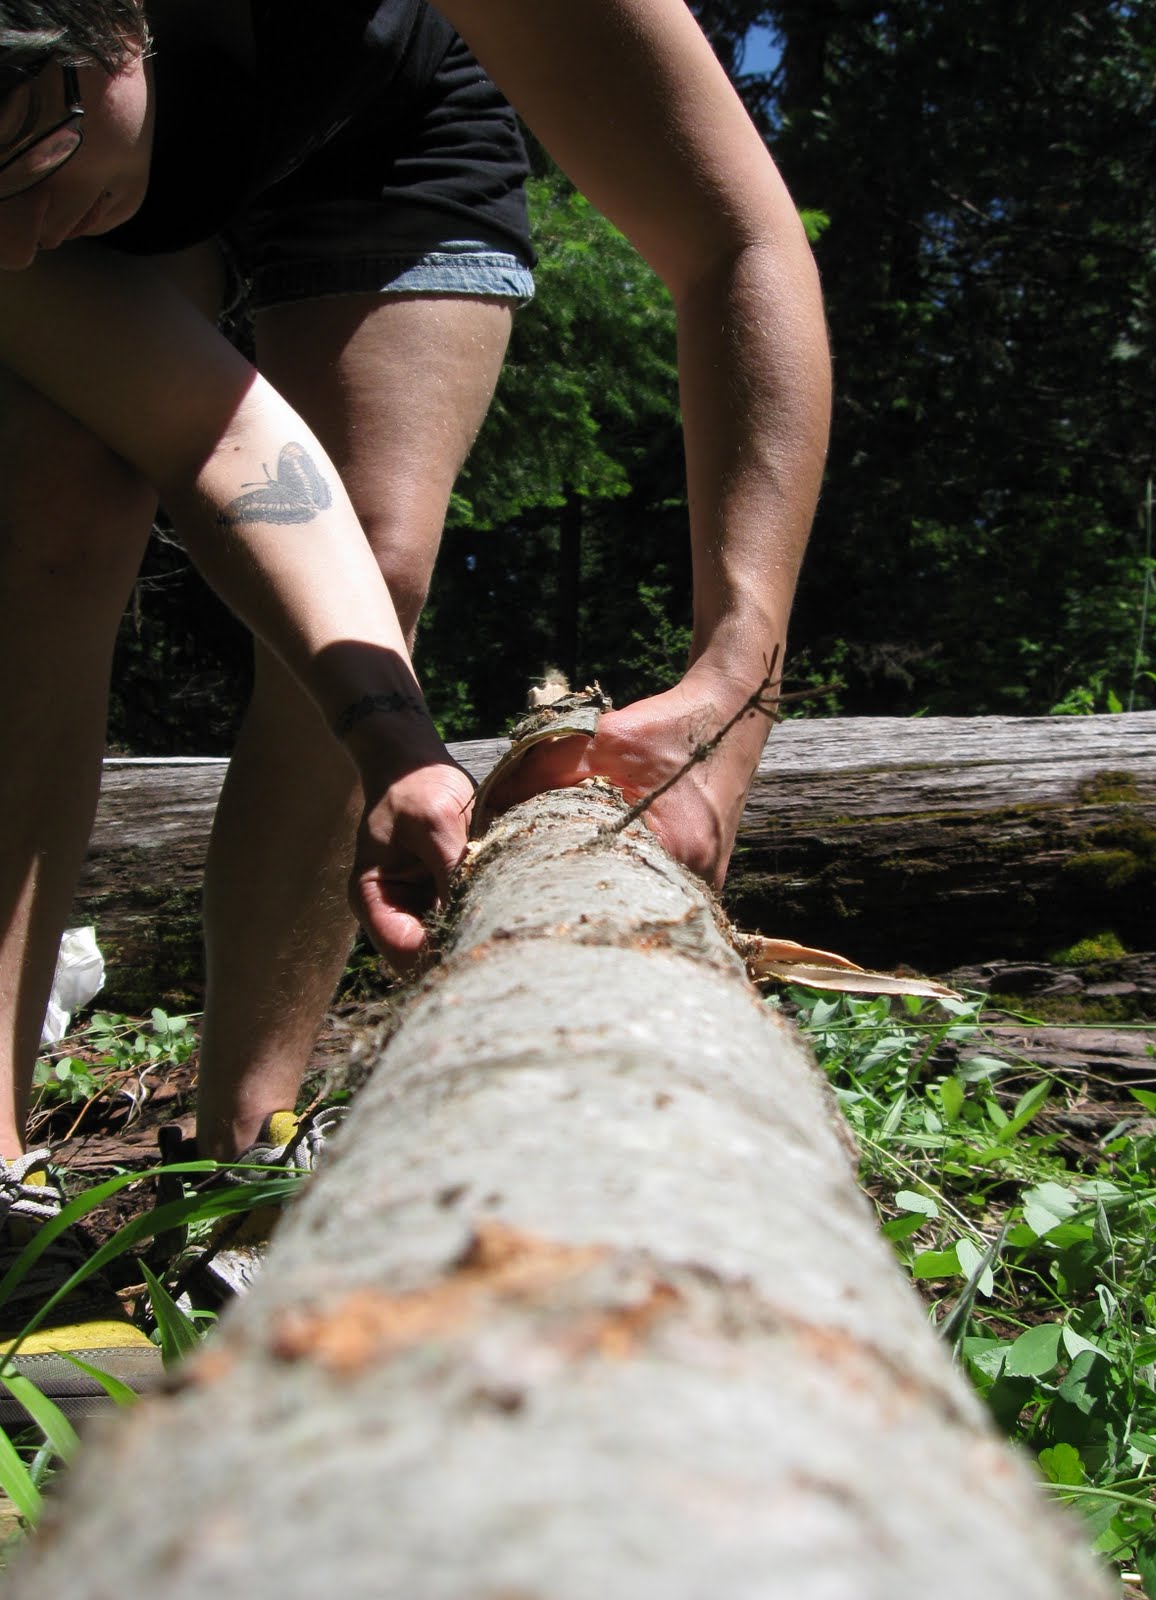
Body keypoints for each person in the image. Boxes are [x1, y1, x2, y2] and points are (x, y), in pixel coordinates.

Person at [0, 0, 831, 1415]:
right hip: (155, 117)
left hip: (380, 107)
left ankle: (244, 1159)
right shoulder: (21, 193)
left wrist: (732, 698)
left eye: (25, 146)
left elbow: (736, 240)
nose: (18, 230)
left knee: (379, 568)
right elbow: (216, 435)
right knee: (57, 507)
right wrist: (390, 740)